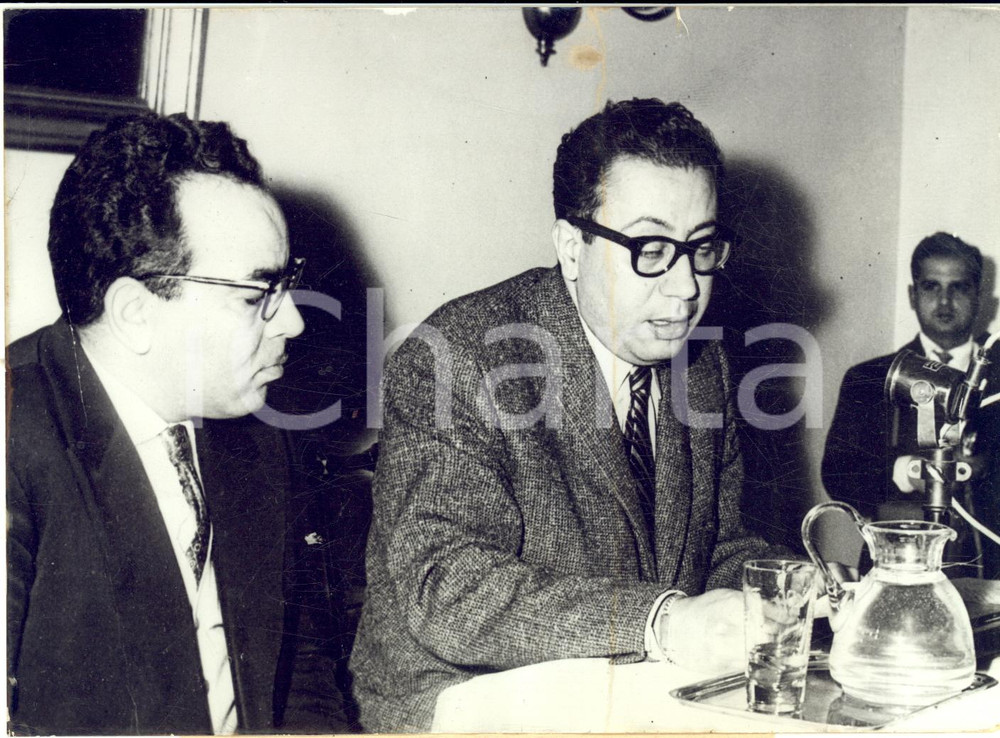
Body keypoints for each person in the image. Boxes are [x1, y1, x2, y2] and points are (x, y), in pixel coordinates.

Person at [349, 99, 787, 732]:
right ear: (572, 246)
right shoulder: (457, 357)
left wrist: (791, 588)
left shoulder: (704, 366)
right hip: (466, 702)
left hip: (636, 692)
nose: (687, 286)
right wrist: (660, 621)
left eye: (701, 247)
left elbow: (717, 544)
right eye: (652, 247)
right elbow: (447, 587)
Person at [6, 113, 352, 734]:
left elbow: (295, 669)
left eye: (286, 287)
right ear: (136, 312)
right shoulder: (14, 435)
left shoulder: (254, 428)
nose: (294, 323)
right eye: (255, 297)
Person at [822, 233, 994, 574]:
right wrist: (907, 472)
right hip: (896, 568)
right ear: (913, 296)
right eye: (931, 287)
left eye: (958, 288)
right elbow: (838, 474)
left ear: (979, 297)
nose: (945, 302)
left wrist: (982, 469)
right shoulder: (869, 377)